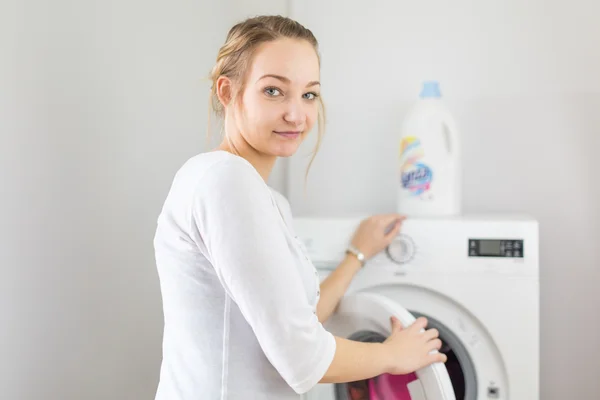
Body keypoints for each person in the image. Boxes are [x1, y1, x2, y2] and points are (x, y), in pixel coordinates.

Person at [153, 15, 447, 400]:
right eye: (274, 91)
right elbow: (302, 357)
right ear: (227, 92)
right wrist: (391, 356)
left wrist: (357, 255)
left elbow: (296, 321)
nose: (297, 114)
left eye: (309, 94)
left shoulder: (263, 197)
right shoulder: (226, 181)